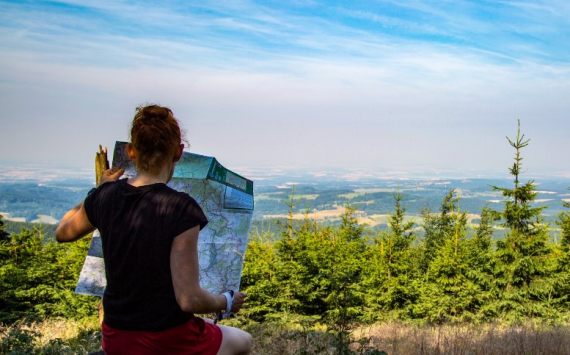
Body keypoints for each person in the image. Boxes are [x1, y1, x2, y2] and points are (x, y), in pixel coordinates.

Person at [56, 105, 252, 355]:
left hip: (116, 338)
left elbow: (63, 232)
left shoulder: (104, 196)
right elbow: (188, 299)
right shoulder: (181, 208)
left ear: (130, 151)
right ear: (179, 152)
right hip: (166, 339)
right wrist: (226, 301)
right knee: (243, 341)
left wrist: (98, 191)